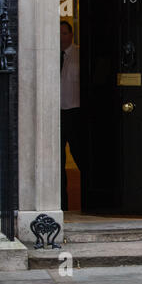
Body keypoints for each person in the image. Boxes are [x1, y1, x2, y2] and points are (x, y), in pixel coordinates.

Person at [60, 21, 81, 211]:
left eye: (64, 33)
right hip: (56, 113)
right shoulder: (49, 55)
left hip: (75, 112)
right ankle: (62, 205)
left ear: (71, 35)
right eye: (58, 34)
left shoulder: (79, 55)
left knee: (80, 154)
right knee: (58, 162)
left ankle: (93, 201)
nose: (61, 37)